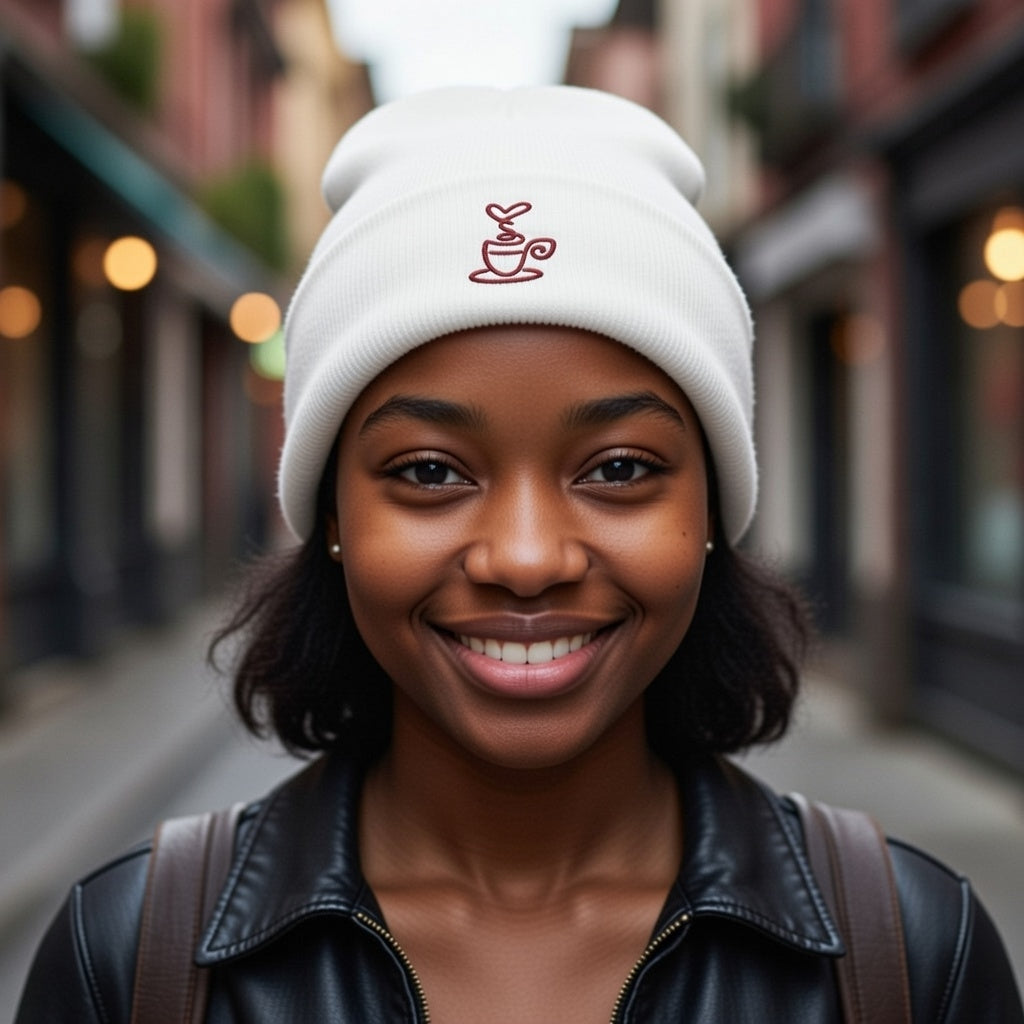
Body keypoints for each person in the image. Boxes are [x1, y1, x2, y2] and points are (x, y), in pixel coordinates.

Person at [16, 86, 1023, 1023]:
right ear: (329, 514)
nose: (528, 556)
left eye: (621, 468)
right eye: (429, 472)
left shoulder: (909, 956)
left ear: (714, 505)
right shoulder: (137, 961)